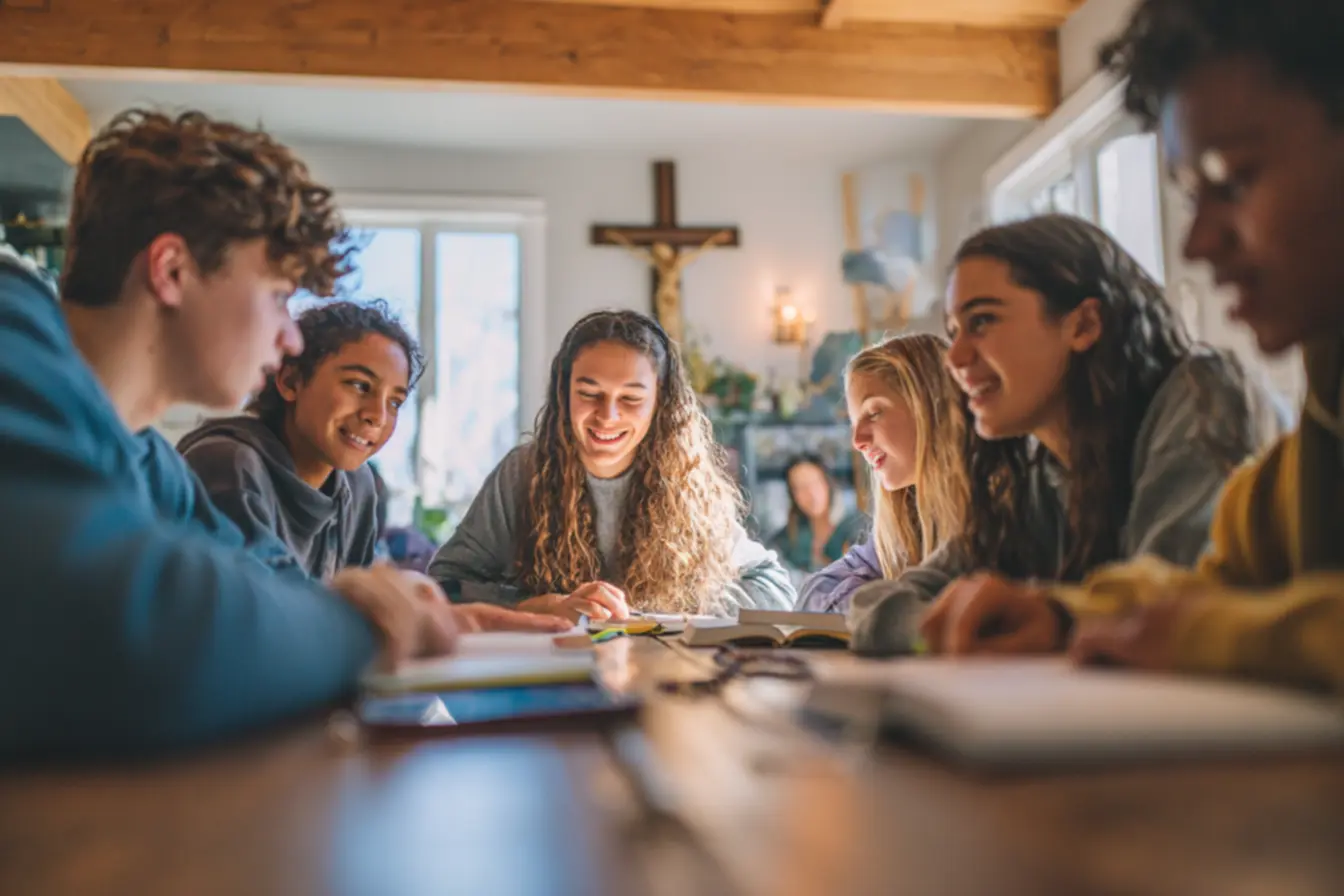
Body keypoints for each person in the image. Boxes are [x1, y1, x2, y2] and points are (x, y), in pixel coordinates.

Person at [919, 0, 1344, 692]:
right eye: (1189, 194)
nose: (1196, 244)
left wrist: (1200, 635)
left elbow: (1199, 612)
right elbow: (1212, 586)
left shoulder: (1196, 396)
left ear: (1087, 324)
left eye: (1233, 179)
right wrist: (1060, 616)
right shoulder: (1309, 445)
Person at [850, 214, 1290, 654]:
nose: (957, 357)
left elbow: (1169, 604)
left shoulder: (1202, 396)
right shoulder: (1037, 475)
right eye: (953, 331)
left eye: (982, 321)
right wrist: (950, 631)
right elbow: (873, 606)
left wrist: (1039, 621)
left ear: (1083, 325)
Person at [428, 309, 795, 621]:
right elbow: (445, 587)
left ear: (660, 404)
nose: (608, 416)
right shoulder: (523, 473)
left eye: (632, 398)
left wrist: (665, 612)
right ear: (563, 393)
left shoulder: (686, 482)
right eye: (589, 394)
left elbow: (775, 588)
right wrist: (538, 607)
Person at [179, 299, 419, 580]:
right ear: (291, 381)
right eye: (359, 385)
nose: (377, 416)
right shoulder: (229, 464)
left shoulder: (358, 485)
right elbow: (256, 611)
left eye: (394, 402)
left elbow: (360, 609)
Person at [796, 334, 971, 613]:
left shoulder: (989, 516)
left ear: (930, 407)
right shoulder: (907, 521)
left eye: (874, 412)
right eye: (853, 421)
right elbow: (814, 592)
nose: (858, 440)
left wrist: (876, 602)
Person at [768, 453, 867, 579]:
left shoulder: (858, 527)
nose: (810, 493)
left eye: (815, 483)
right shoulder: (786, 539)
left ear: (828, 483)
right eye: (800, 487)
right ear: (792, 495)